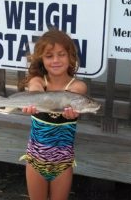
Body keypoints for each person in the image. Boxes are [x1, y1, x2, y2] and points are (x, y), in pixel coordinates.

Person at [20, 29, 87, 200]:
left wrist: (71, 109)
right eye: (49, 56)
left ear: (70, 57)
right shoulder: (38, 81)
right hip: (35, 160)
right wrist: (33, 99)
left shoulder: (78, 87)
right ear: (42, 59)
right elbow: (34, 87)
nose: (56, 60)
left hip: (63, 164)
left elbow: (73, 94)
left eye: (61, 54)